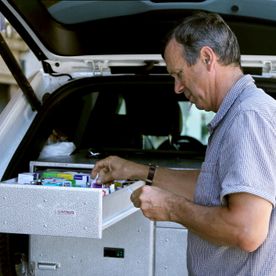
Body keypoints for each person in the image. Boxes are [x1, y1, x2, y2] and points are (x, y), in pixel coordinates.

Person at [92, 12, 276, 275]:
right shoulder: (239, 113)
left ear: (207, 58)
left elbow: (246, 230)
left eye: (178, 74)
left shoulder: (248, 116)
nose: (176, 88)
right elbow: (211, 187)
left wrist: (171, 207)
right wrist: (136, 170)